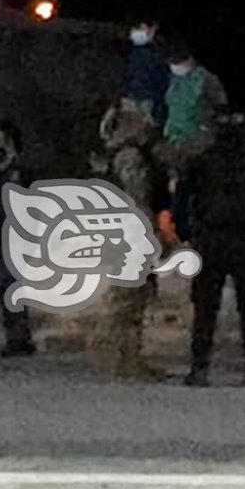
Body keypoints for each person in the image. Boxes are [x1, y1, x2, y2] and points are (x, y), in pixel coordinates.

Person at [180, 108, 245, 387]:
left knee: (205, 306)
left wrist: (188, 233)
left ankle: (199, 368)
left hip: (210, 239)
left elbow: (182, 201)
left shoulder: (201, 162)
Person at [98, 99, 164, 380]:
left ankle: (127, 358)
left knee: (129, 299)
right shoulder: (130, 158)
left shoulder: (117, 156)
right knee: (128, 302)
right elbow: (139, 201)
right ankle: (124, 362)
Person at [0, 119, 36, 357]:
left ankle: (19, 337)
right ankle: (14, 334)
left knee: (11, 284)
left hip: (16, 233)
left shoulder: (21, 170)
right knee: (1, 286)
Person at [158, 46, 228, 171]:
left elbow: (220, 104)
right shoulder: (174, 81)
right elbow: (171, 107)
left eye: (178, 62)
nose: (175, 66)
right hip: (176, 136)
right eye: (172, 63)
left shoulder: (205, 79)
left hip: (199, 135)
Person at [124, 20, 169, 123]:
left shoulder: (162, 54)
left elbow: (163, 84)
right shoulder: (131, 51)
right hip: (130, 100)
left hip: (148, 103)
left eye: (141, 28)